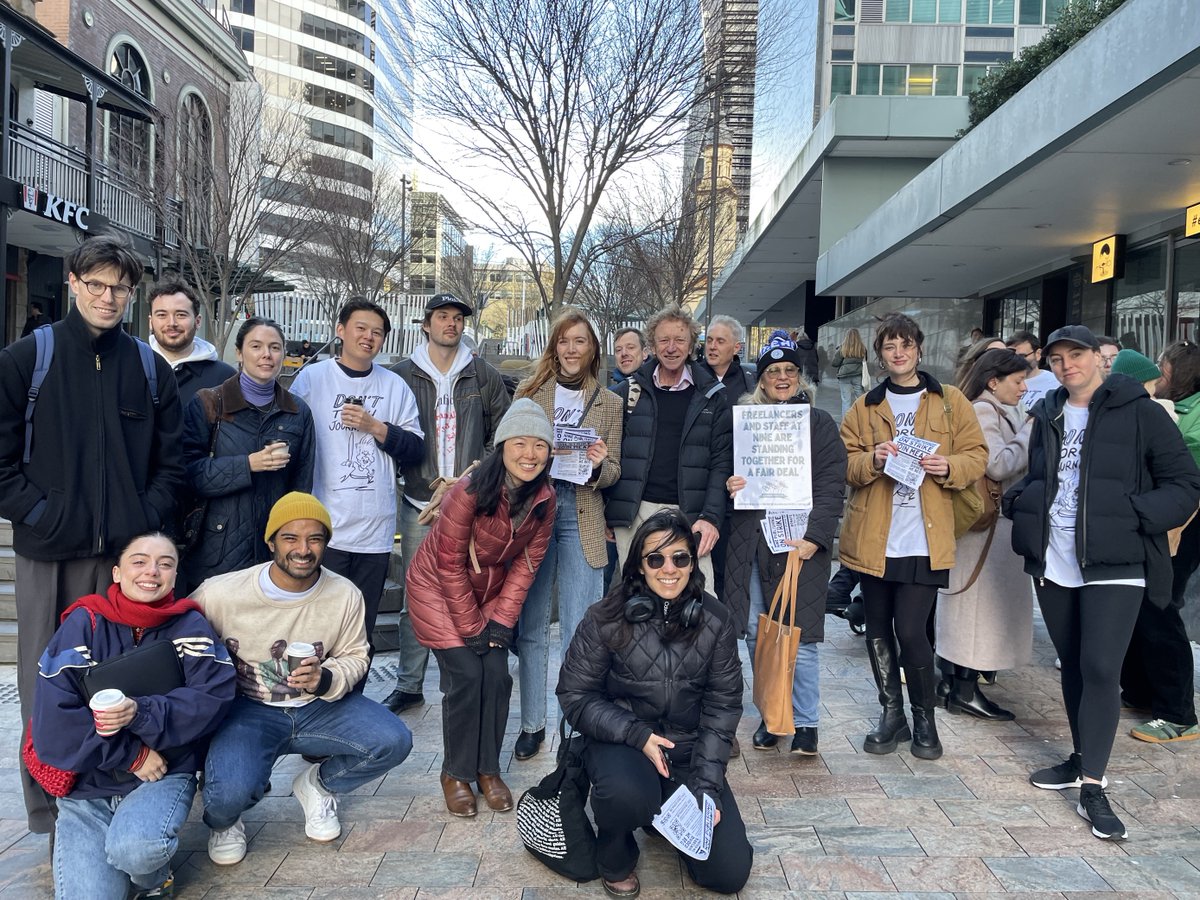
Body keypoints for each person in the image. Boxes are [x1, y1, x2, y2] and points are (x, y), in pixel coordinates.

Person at [0, 231, 185, 835]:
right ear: (74, 284)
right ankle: (50, 812)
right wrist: (42, 513)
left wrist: (142, 516)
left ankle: (116, 788)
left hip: (124, 559)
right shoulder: (30, 358)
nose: (108, 297)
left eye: (120, 287)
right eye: (96, 285)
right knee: (46, 682)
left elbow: (173, 462)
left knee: (121, 678)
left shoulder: (149, 367)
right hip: (49, 554)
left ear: (133, 294)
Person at [1005, 325, 1200, 841]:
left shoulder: (1138, 411)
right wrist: (1021, 503)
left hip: (1117, 561)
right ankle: (1080, 755)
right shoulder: (1047, 412)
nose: (1068, 365)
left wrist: (1135, 516)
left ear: (1098, 358)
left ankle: (1093, 785)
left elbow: (1184, 483)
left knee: (1099, 666)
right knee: (1073, 666)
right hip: (1055, 560)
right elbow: (1041, 476)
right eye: (1058, 358)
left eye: (1077, 355)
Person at [195, 493, 414, 864]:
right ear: (271, 543)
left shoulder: (343, 594)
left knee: (394, 740)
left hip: (317, 707)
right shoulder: (220, 593)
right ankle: (226, 821)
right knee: (226, 795)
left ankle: (318, 785)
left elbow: (356, 655)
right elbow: (187, 646)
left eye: (315, 539)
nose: (303, 549)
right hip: (248, 710)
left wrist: (325, 679)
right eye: (290, 538)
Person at [557, 510, 752, 897]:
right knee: (626, 795)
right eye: (655, 558)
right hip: (623, 743)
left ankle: (658, 814)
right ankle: (615, 855)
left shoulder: (716, 619)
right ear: (639, 566)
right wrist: (637, 733)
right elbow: (575, 695)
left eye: (680, 558)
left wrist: (708, 789)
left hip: (686, 751)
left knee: (728, 874)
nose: (669, 569)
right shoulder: (605, 617)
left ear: (693, 563)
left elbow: (722, 707)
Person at [31, 532, 236, 899]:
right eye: (138, 561)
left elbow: (211, 701)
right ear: (117, 572)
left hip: (162, 774)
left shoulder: (190, 627)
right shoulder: (84, 623)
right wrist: (131, 754)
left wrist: (141, 712)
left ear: (175, 576)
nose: (151, 572)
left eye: (165, 563)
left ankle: (154, 880)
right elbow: (53, 723)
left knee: (136, 851)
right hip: (88, 788)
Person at [839, 313, 987, 761]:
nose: (898, 352)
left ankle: (925, 717)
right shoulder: (865, 406)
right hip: (876, 537)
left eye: (905, 344)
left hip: (926, 537)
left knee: (911, 629)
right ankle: (892, 715)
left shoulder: (949, 400)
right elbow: (845, 463)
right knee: (878, 629)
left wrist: (950, 467)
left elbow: (976, 454)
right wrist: (873, 459)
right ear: (880, 355)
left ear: (919, 349)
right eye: (889, 346)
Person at [405, 400, 556, 816]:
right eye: (520, 443)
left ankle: (488, 769)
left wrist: (501, 623)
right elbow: (448, 564)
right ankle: (455, 773)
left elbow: (527, 566)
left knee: (497, 673)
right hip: (436, 588)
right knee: (467, 674)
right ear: (503, 445)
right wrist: (472, 627)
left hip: (485, 591)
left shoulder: (544, 499)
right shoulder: (468, 491)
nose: (530, 454)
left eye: (540, 445)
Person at [381, 293, 511, 715]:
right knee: (414, 596)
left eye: (457, 318)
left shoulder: (482, 374)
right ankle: (409, 682)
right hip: (420, 499)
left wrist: (480, 472)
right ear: (425, 324)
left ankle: (463, 680)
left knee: (471, 590)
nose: (451, 324)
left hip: (471, 501)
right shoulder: (401, 374)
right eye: (442, 317)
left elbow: (503, 431)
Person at [289, 297, 424, 689]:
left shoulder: (393, 386)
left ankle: (352, 707)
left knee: (358, 630)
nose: (369, 337)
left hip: (374, 531)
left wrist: (376, 427)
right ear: (340, 330)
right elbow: (293, 439)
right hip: (321, 527)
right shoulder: (312, 379)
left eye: (377, 332)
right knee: (315, 623)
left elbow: (416, 449)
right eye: (361, 328)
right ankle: (311, 708)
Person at [725, 335, 847, 754]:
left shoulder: (819, 424)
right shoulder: (743, 420)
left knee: (802, 634)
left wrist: (816, 537)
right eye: (773, 371)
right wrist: (732, 484)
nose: (782, 377)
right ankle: (773, 716)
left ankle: (807, 721)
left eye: (789, 371)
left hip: (798, 542)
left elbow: (832, 484)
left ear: (800, 377)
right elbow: (726, 473)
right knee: (758, 633)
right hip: (750, 541)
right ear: (760, 379)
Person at [511, 310, 622, 760]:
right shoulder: (530, 394)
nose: (572, 350)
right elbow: (507, 456)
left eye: (580, 341)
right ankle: (532, 724)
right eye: (564, 341)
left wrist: (597, 464)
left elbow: (615, 472)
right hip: (537, 514)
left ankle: (575, 724)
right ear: (554, 346)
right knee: (532, 624)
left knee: (580, 627)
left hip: (583, 514)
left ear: (592, 348)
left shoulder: (610, 403)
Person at [180, 316, 315, 593]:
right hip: (215, 550)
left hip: (273, 551)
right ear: (239, 353)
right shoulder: (209, 402)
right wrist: (248, 464)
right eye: (256, 346)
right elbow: (189, 475)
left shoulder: (297, 412)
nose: (266, 355)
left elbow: (301, 488)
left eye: (275, 347)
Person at [936, 348, 1034, 721]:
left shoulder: (991, 409)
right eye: (1018, 380)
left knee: (976, 608)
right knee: (976, 609)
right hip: (985, 529)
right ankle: (963, 688)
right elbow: (996, 464)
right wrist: (1030, 431)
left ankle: (956, 683)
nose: (1024, 387)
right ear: (994, 381)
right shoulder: (983, 410)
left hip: (989, 528)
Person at [605, 304, 733, 590]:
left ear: (691, 346)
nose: (671, 348)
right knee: (637, 598)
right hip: (636, 513)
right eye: (664, 340)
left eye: (680, 340)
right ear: (652, 344)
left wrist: (711, 517)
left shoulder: (712, 396)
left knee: (701, 599)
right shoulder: (629, 392)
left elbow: (721, 462)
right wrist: (610, 511)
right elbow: (611, 453)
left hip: (690, 514)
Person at [1120, 339, 1200, 744]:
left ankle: (1178, 712)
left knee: (1160, 605)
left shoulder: (1189, 412)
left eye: (1162, 364)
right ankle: (1141, 692)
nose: (1157, 371)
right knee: (1141, 602)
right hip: (1157, 520)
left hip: (1183, 523)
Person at [696, 314, 756, 600]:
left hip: (737, 491)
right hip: (699, 486)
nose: (712, 346)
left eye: (720, 341)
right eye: (709, 340)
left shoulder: (752, 384)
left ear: (737, 347)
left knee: (727, 570)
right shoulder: (692, 378)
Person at [148, 280, 236, 407]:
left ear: (198, 321)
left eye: (181, 315)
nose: (171, 323)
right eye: (162, 315)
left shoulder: (225, 379)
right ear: (151, 322)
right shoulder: (132, 369)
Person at [1007, 330, 1060, 410]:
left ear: (1038, 354)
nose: (1016, 360)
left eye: (1022, 356)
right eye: (1011, 356)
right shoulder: (1003, 383)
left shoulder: (1056, 383)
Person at [831, 327, 868, 417]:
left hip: (844, 377)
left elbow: (834, 363)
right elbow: (865, 360)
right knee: (860, 400)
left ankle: (846, 423)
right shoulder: (862, 348)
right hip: (858, 376)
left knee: (846, 401)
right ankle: (861, 420)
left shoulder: (842, 348)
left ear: (846, 337)